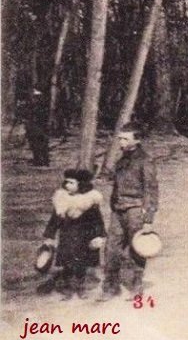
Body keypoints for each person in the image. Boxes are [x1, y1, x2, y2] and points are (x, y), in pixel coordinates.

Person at [101, 128, 159, 300]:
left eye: (125, 139)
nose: (121, 142)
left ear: (137, 140)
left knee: (137, 248)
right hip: (118, 209)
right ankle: (110, 287)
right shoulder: (122, 159)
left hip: (135, 209)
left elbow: (151, 189)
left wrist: (148, 218)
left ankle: (136, 286)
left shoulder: (145, 160)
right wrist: (113, 205)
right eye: (120, 139)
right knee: (111, 248)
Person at [41, 169, 106, 299]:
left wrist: (99, 235)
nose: (67, 185)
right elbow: (55, 219)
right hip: (67, 235)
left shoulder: (89, 200)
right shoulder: (62, 199)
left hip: (85, 236)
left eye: (71, 183)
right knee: (67, 263)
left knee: (82, 263)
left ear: (80, 185)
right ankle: (68, 288)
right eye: (66, 182)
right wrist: (49, 236)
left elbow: (97, 220)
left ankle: (81, 287)